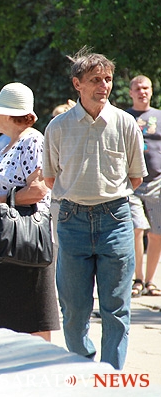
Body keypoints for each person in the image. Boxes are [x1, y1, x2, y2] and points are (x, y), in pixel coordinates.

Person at [43, 49, 147, 370]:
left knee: (117, 308)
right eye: (95, 80)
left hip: (115, 220)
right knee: (74, 310)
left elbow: (136, 177)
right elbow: (50, 178)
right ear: (77, 84)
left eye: (108, 79)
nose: (104, 86)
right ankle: (84, 370)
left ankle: (111, 377)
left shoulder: (125, 123)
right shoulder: (58, 127)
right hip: (72, 220)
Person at [0, 82, 59, 340]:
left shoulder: (32, 140)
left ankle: (39, 365)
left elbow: (39, 189)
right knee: (3, 324)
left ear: (8, 114)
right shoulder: (11, 144)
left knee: (32, 320)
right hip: (1, 242)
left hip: (24, 243)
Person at [126, 75, 161, 297]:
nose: (142, 92)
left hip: (157, 182)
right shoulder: (124, 117)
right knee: (137, 229)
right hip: (131, 183)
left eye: (146, 88)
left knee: (156, 233)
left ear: (151, 90)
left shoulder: (159, 116)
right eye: (138, 88)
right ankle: (137, 279)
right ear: (131, 92)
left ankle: (150, 281)